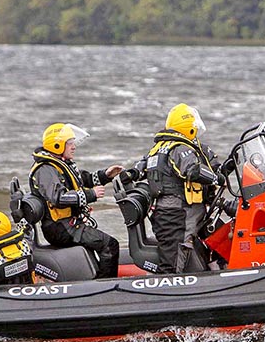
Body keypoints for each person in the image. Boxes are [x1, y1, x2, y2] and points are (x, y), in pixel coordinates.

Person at [29, 122, 122, 279]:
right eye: (70, 143)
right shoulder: (45, 169)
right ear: (57, 145)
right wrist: (90, 194)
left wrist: (105, 175)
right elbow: (58, 198)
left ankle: (96, 277)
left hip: (67, 224)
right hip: (59, 227)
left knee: (103, 243)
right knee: (109, 245)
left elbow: (83, 179)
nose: (74, 147)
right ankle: (105, 285)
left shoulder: (61, 164)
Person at [140, 103, 221, 274]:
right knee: (173, 264)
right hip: (178, 214)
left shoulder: (158, 149)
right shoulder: (180, 149)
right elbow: (193, 170)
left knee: (214, 236)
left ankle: (214, 270)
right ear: (188, 127)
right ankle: (168, 287)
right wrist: (217, 179)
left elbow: (137, 170)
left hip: (170, 212)